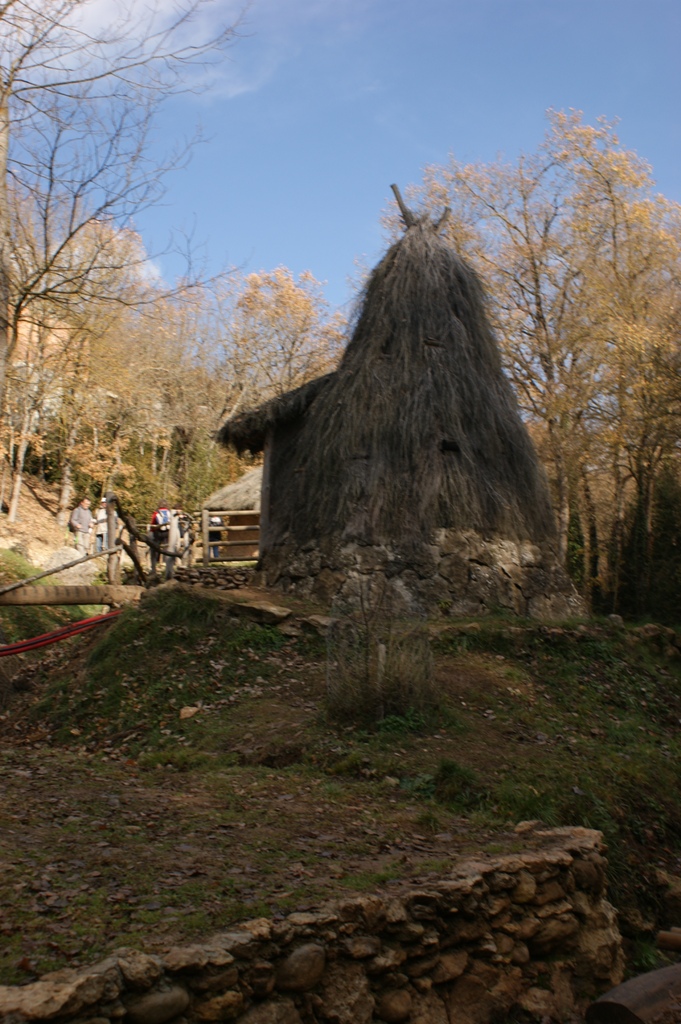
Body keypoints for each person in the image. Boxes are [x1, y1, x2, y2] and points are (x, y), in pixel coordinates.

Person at [148, 500, 172, 576]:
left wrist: (151, 531)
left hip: (158, 532)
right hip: (167, 532)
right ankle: (166, 564)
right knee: (166, 548)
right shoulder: (169, 512)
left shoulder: (156, 513)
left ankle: (155, 564)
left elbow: (153, 522)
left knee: (155, 548)